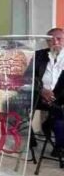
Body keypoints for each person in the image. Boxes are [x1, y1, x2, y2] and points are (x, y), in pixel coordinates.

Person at [32, 28, 64, 157]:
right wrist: (41, 91)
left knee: (59, 112)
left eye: (59, 39)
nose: (55, 42)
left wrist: (56, 95)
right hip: (39, 95)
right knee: (14, 104)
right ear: (47, 42)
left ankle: (59, 146)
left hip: (60, 97)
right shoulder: (39, 55)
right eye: (51, 40)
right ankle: (31, 141)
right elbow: (29, 77)